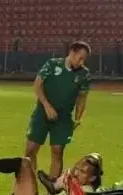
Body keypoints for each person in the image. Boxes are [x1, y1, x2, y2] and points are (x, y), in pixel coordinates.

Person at [26, 41, 92, 181]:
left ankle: (52, 190)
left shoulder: (84, 74)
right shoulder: (52, 64)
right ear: (72, 52)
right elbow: (37, 85)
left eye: (84, 59)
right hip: (42, 113)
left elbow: (82, 98)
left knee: (57, 152)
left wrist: (78, 118)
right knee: (30, 150)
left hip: (63, 118)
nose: (82, 62)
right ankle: (29, 186)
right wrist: (47, 106)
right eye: (80, 57)